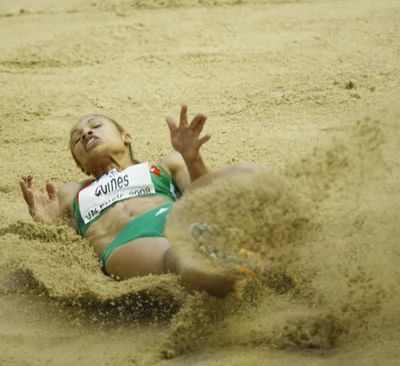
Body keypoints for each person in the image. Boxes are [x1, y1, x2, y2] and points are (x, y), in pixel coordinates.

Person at [19, 105, 265, 296]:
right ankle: (231, 271)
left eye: (95, 126)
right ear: (82, 166)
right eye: (77, 138)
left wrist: (192, 158)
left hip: (180, 220)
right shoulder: (72, 192)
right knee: (179, 258)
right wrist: (46, 222)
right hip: (129, 242)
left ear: (127, 137)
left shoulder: (164, 166)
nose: (86, 133)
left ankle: (268, 237)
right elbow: (60, 244)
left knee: (246, 173)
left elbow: (206, 199)